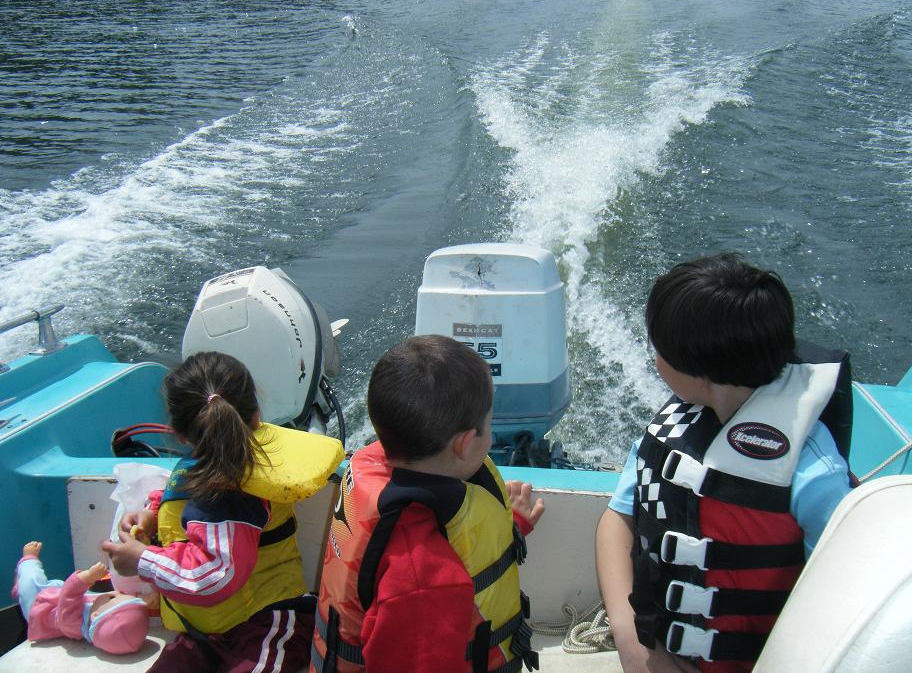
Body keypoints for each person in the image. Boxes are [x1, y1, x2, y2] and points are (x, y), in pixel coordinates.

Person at [595, 253, 852, 673]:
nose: (654, 358)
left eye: (658, 350)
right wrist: (627, 634)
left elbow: (840, 598)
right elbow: (619, 517)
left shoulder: (812, 473)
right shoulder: (673, 427)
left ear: (699, 374)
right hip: (653, 651)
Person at [310, 334, 545, 673]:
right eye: (489, 423)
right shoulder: (423, 581)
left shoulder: (380, 470)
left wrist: (511, 529)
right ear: (465, 443)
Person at [102, 351, 345, 673]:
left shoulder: (231, 493)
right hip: (207, 631)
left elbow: (216, 575)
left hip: (267, 622)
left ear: (179, 432)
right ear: (256, 413)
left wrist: (142, 560)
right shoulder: (203, 469)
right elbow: (183, 499)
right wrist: (153, 514)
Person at [13, 540, 150, 655]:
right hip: (56, 597)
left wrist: (88, 576)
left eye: (112, 597)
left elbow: (69, 594)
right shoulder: (97, 616)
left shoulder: (71, 622)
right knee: (56, 584)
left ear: (96, 615)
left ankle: (28, 560)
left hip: (38, 608)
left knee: (31, 580)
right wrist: (145, 599)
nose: (118, 592)